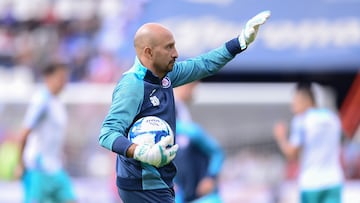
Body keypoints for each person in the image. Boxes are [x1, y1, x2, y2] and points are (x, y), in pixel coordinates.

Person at [99, 10, 271, 203]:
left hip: (159, 181)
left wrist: (240, 42)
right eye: (169, 47)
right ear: (148, 52)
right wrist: (142, 151)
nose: (176, 53)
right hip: (142, 183)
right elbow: (107, 134)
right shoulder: (132, 86)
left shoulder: (165, 76)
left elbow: (204, 64)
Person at [15, 62, 76, 203]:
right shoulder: (41, 100)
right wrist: (20, 163)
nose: (64, 82)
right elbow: (24, 132)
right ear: (48, 78)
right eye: (60, 78)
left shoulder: (58, 103)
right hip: (37, 168)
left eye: (65, 78)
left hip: (55, 167)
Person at [273, 83, 344, 203]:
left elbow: (292, 154)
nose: (293, 106)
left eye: (296, 101)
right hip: (334, 180)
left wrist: (281, 138)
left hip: (311, 183)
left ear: (307, 100)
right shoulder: (333, 118)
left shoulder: (302, 121)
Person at [173, 82, 224, 203]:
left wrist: (211, 177)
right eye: (192, 87)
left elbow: (217, 151)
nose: (194, 93)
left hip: (200, 196)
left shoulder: (189, 127)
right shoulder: (172, 112)